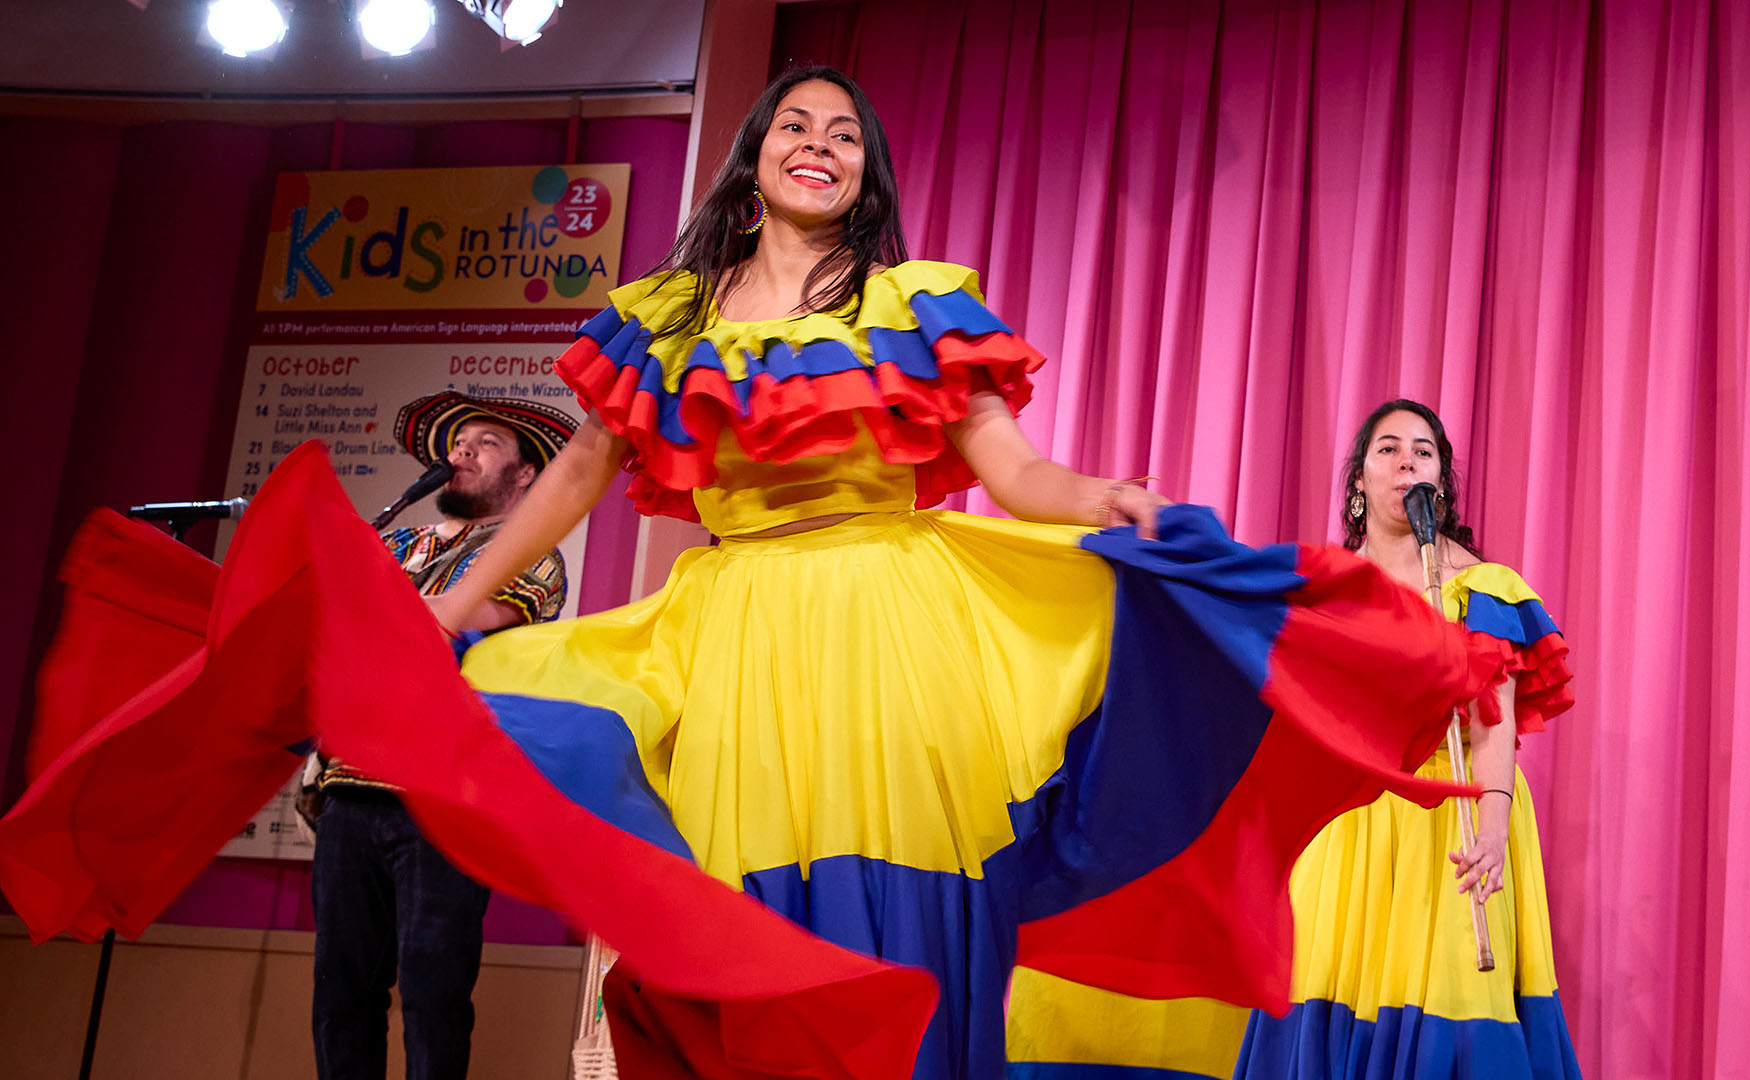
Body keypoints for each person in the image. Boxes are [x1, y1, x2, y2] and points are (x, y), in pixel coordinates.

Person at [316, 69, 1496, 1078]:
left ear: (867, 182)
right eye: (796, 126)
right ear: (753, 157)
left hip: (893, 639)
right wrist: (444, 609)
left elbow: (1013, 469)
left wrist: (1103, 498)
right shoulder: (665, 317)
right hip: (740, 650)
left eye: (844, 136)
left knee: (909, 934)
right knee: (749, 935)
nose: (818, 145)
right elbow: (575, 476)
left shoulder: (909, 304)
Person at [1234, 399, 1581, 1079]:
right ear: (1359, 482)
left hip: (1454, 819)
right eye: (1388, 449)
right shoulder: (1323, 589)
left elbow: (1495, 722)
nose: (1406, 462)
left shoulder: (1481, 587)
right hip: (1348, 821)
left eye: (1423, 452)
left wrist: (1493, 823)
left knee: (1457, 997)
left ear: (1442, 483)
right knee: (1333, 986)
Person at [309, 392, 574, 1080]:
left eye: (486, 444)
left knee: (433, 992)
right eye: (458, 445)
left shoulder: (535, 560)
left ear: (524, 477)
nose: (461, 453)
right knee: (341, 994)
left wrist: (365, 594)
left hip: (446, 801)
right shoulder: (397, 543)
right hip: (349, 791)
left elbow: (445, 617)